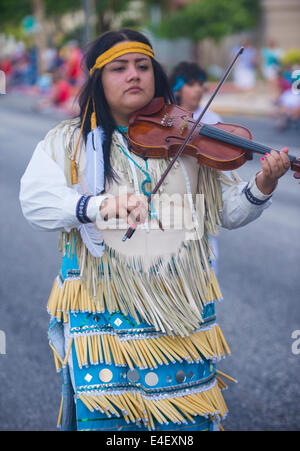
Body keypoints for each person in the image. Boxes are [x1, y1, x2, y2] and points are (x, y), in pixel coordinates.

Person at [19, 29, 291, 432]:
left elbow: (227, 213)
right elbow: (36, 202)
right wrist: (98, 206)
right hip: (104, 311)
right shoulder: (68, 143)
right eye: (119, 68)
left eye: (143, 66)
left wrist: (262, 185)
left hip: (178, 310)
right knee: (114, 424)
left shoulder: (189, 140)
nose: (134, 75)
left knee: (184, 424)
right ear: (97, 79)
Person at [169, 61, 222, 274]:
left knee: (204, 264)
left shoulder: (213, 119)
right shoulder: (166, 116)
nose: (198, 89)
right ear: (177, 88)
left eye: (201, 84)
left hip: (199, 197)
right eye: (191, 84)